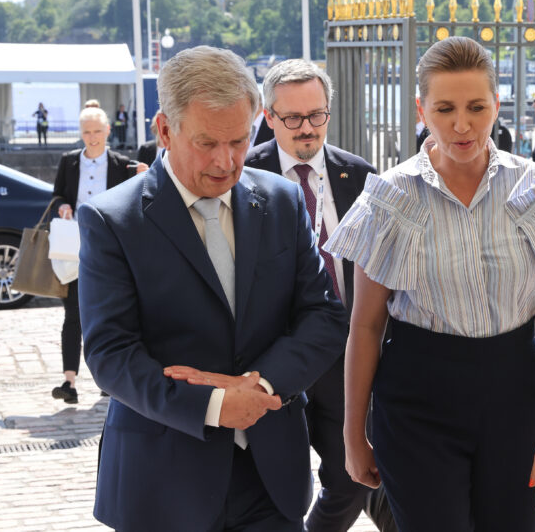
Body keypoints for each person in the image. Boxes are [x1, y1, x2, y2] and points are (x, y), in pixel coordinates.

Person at [324, 36, 535, 531]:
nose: (461, 124)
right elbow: (365, 327)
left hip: (515, 394)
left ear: (496, 104)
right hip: (415, 402)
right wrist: (352, 435)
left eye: (476, 107)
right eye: (445, 107)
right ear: (421, 109)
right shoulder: (388, 199)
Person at [76, 46, 347, 531]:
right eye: (207, 143)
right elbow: (111, 354)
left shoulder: (283, 201)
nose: (227, 161)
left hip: (272, 480)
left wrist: (260, 387)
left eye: (240, 141)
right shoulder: (111, 219)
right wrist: (216, 405)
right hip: (161, 487)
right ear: (164, 129)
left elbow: (324, 316)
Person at [246, 59, 387, 532]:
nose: (307, 129)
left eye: (317, 115)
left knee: (355, 475)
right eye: (292, 118)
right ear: (268, 116)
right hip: (269, 356)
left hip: (343, 354)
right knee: (273, 485)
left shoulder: (359, 174)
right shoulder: (244, 176)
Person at [50, 107, 148, 404]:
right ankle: (69, 381)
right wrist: (63, 206)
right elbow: (57, 195)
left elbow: (137, 197)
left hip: (109, 248)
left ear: (107, 131)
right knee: (73, 314)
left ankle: (108, 378)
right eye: (86, 132)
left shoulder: (121, 164)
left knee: (112, 312)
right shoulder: (69, 161)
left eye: (96, 131)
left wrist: (145, 176)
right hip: (74, 246)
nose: (91, 137)